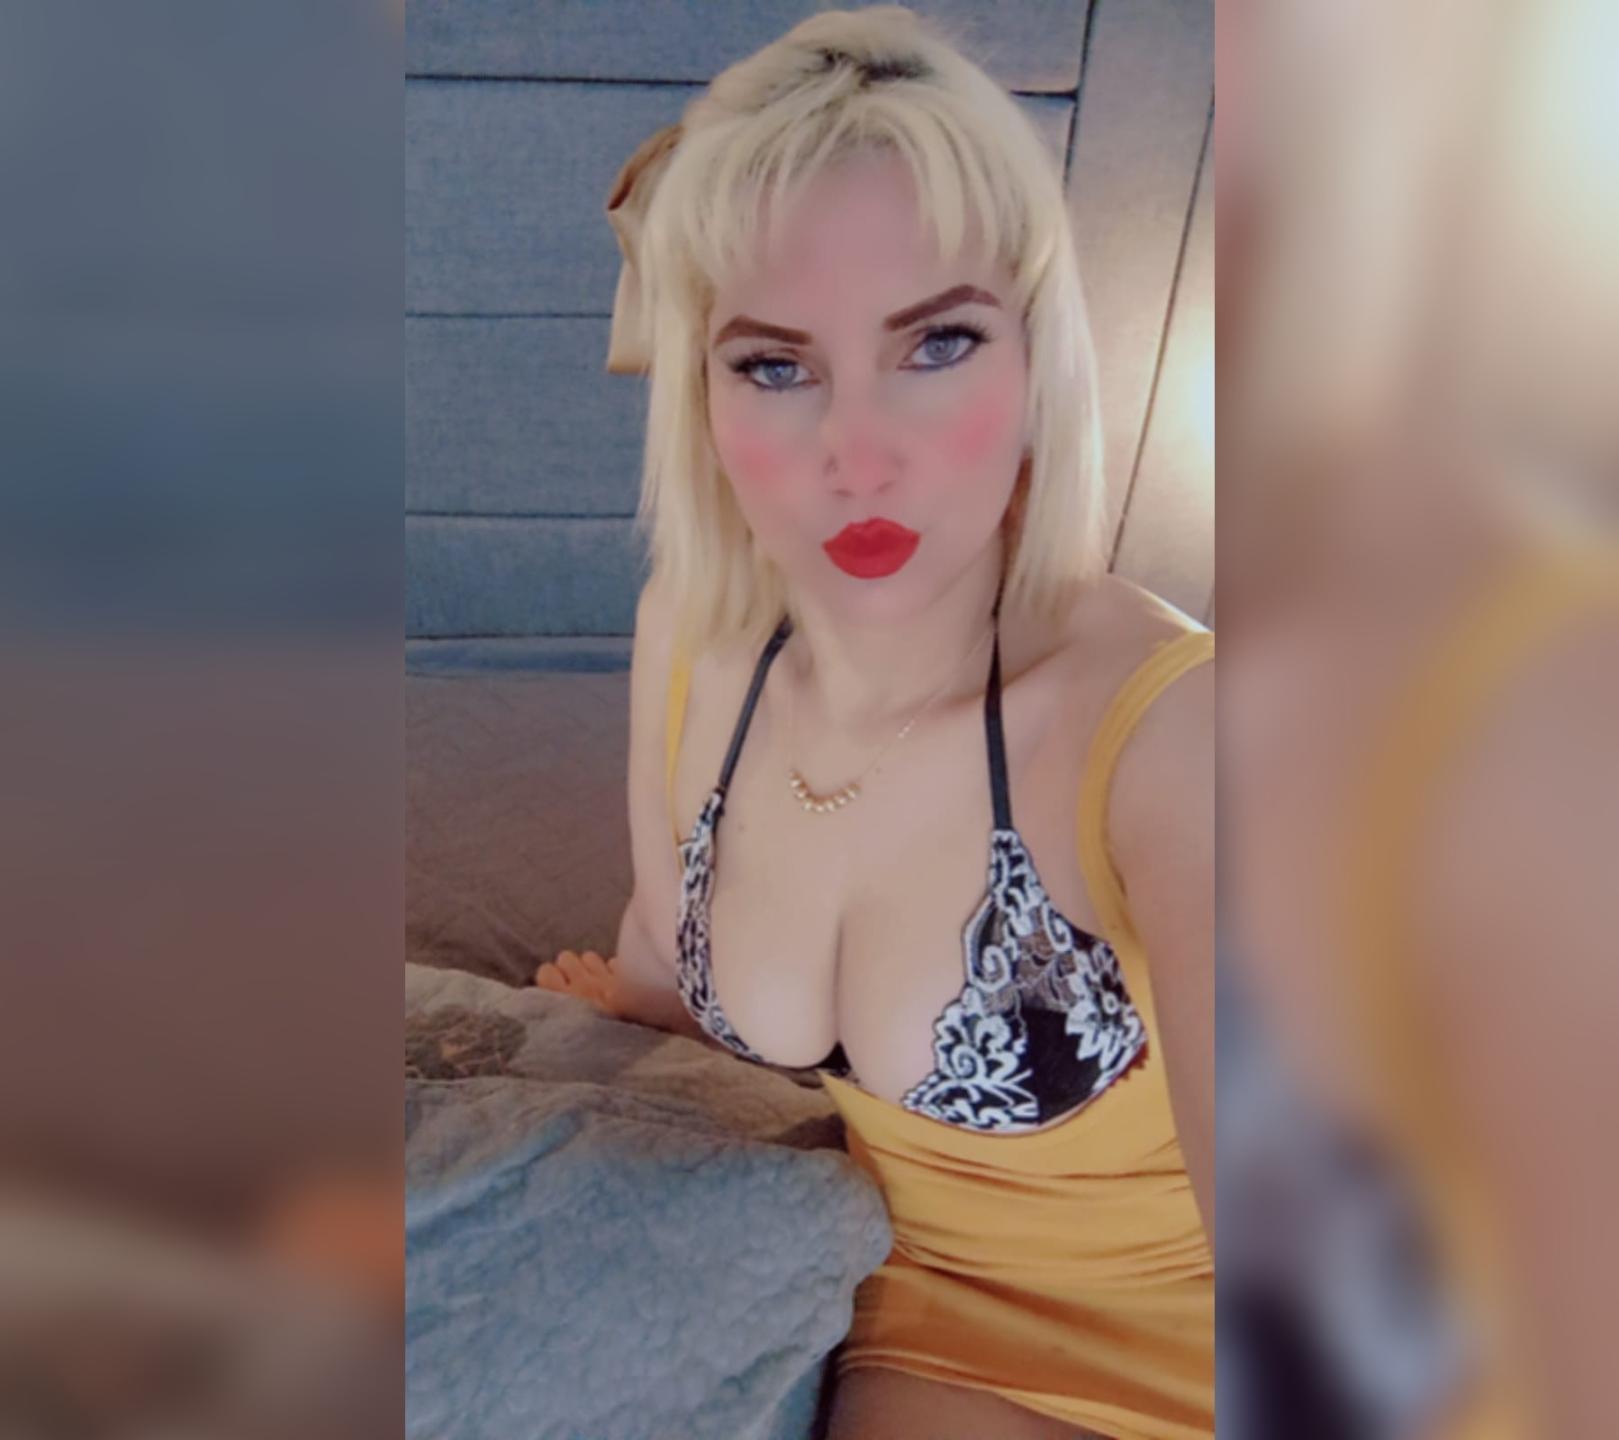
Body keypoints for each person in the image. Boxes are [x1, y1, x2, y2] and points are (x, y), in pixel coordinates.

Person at [537, 9, 1214, 1436]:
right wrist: (625, 1012)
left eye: (938, 343)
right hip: (941, 1329)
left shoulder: (1174, 737)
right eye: (775, 366)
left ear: (1036, 361)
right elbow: (669, 934)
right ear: (702, 395)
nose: (856, 457)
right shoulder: (689, 640)